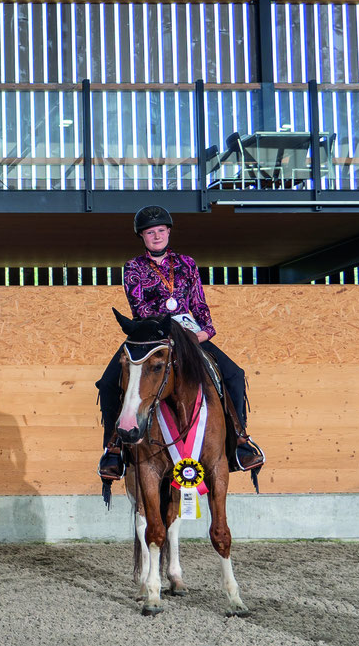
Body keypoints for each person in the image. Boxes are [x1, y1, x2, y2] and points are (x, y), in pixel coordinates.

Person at [96, 205, 264, 480]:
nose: (157, 236)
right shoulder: (133, 267)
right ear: (142, 237)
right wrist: (169, 330)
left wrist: (205, 332)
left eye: (161, 230)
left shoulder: (187, 264)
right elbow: (139, 307)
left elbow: (200, 304)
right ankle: (113, 448)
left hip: (189, 333)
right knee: (107, 382)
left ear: (169, 232)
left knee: (234, 374)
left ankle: (241, 441)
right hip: (151, 334)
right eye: (150, 232)